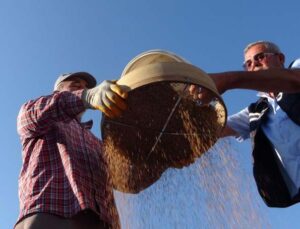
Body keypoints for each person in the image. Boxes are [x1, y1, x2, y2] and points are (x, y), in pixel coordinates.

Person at [190, 40, 300, 207]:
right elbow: (215, 129)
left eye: (260, 57)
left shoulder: (296, 69)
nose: (254, 64)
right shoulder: (256, 112)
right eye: (248, 63)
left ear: (280, 58)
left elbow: (294, 80)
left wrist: (228, 80)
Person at [15, 72, 128, 229]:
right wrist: (86, 96)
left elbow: (125, 181)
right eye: (76, 84)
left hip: (101, 223)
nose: (82, 88)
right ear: (57, 91)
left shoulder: (96, 143)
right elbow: (35, 114)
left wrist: (162, 162)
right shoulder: (37, 114)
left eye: (87, 88)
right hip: (49, 216)